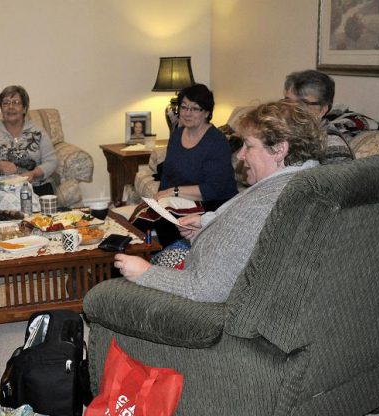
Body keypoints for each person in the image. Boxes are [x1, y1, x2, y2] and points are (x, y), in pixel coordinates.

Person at [114, 100, 326, 303]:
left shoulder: (264, 203)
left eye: (249, 146)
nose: (241, 155)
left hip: (195, 301)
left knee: (114, 289)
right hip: (204, 265)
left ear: (280, 150)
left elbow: (205, 288)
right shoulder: (300, 182)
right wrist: (206, 225)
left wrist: (144, 273)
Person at [149, 83, 238, 247]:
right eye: (184, 107)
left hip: (213, 202)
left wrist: (172, 192)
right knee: (144, 215)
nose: (187, 113)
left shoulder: (216, 142)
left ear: (207, 113)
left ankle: (177, 260)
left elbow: (213, 189)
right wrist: (160, 196)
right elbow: (168, 174)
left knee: (167, 218)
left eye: (195, 108)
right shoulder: (177, 135)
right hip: (183, 199)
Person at [0, 85, 58, 197]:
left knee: (40, 212)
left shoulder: (38, 132)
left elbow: (52, 161)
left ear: (24, 108)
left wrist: (33, 173)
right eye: (6, 103)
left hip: (36, 186)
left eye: (16, 102)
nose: (10, 107)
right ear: (1, 108)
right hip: (1, 190)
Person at [283, 69, 353, 163]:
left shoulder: (333, 150)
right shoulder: (284, 132)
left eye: (301, 104)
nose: (291, 109)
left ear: (322, 110)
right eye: (288, 101)